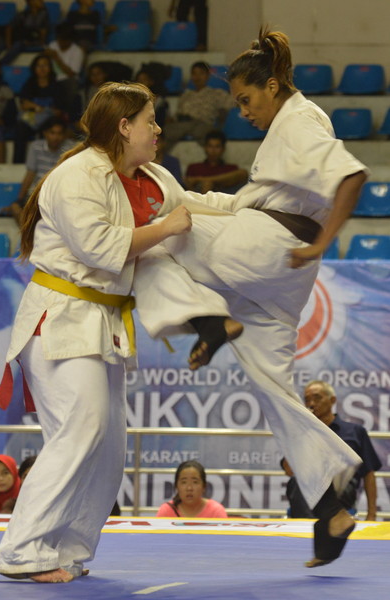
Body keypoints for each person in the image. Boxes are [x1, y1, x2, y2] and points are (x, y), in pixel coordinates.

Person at [132, 27, 369, 568]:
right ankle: (331, 505)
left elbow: (352, 176)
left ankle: (206, 322)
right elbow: (250, 203)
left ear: (273, 86)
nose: (242, 112)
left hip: (269, 248)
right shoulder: (293, 124)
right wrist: (191, 198)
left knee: (151, 242)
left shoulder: (298, 122)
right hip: (279, 274)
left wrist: (325, 242)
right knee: (275, 393)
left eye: (246, 100)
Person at [0, 81, 193, 584]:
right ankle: (21, 549)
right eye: (149, 120)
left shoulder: (152, 178)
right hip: (59, 318)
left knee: (108, 448)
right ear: (124, 126)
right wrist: (167, 228)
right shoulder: (76, 175)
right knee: (80, 429)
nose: (158, 129)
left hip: (104, 323)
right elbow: (100, 248)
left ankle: (68, 548)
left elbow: (193, 210)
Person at [282, 381, 382, 521]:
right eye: (307, 400)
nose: (311, 404)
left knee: (327, 479)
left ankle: (315, 526)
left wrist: (371, 515)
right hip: (307, 490)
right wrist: (298, 434)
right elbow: (289, 471)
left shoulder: (355, 432)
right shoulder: (301, 433)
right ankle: (309, 526)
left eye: (317, 398)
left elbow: (368, 474)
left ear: (332, 400)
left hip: (340, 488)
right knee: (296, 481)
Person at [1, 117, 73, 224]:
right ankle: (31, 234)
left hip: (59, 195)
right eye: (52, 133)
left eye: (59, 134)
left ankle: (35, 232)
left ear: (64, 135)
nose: (56, 137)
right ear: (45, 133)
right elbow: (30, 174)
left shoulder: (70, 148)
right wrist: (19, 200)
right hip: (37, 194)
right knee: (15, 208)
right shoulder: (36, 147)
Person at [163, 61, 233, 151]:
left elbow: (233, 104)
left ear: (208, 75)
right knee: (165, 131)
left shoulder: (216, 93)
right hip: (183, 124)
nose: (197, 77)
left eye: (201, 73)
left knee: (212, 136)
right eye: (194, 73)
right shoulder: (186, 95)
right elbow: (178, 114)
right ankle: (159, 157)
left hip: (203, 125)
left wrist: (222, 115)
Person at [13, 53, 65, 164]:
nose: (42, 68)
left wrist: (35, 107)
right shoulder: (29, 84)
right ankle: (18, 163)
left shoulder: (57, 86)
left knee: (48, 130)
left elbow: (58, 111)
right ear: (34, 68)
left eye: (45, 65)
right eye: (38, 65)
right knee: (20, 129)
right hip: (31, 119)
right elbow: (24, 105)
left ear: (50, 68)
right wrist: (40, 108)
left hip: (49, 120)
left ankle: (45, 163)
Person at [0, 0, 50, 67]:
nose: (42, 1)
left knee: (17, 46)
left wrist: (39, 42)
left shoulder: (43, 14)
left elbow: (43, 32)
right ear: (31, 2)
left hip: (28, 40)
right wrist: (8, 42)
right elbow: (9, 28)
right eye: (38, 0)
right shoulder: (23, 14)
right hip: (16, 37)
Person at [157, 460, 228, 518]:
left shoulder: (216, 511)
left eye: (195, 482)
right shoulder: (166, 511)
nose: (189, 488)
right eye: (184, 482)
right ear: (176, 486)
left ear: (204, 486)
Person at [44, 22, 85, 114]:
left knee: (71, 85)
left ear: (70, 40)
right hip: (51, 77)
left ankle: (66, 114)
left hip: (67, 80)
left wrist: (57, 58)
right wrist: (45, 55)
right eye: (59, 39)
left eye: (63, 40)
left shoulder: (77, 51)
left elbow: (71, 74)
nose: (60, 43)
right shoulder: (52, 45)